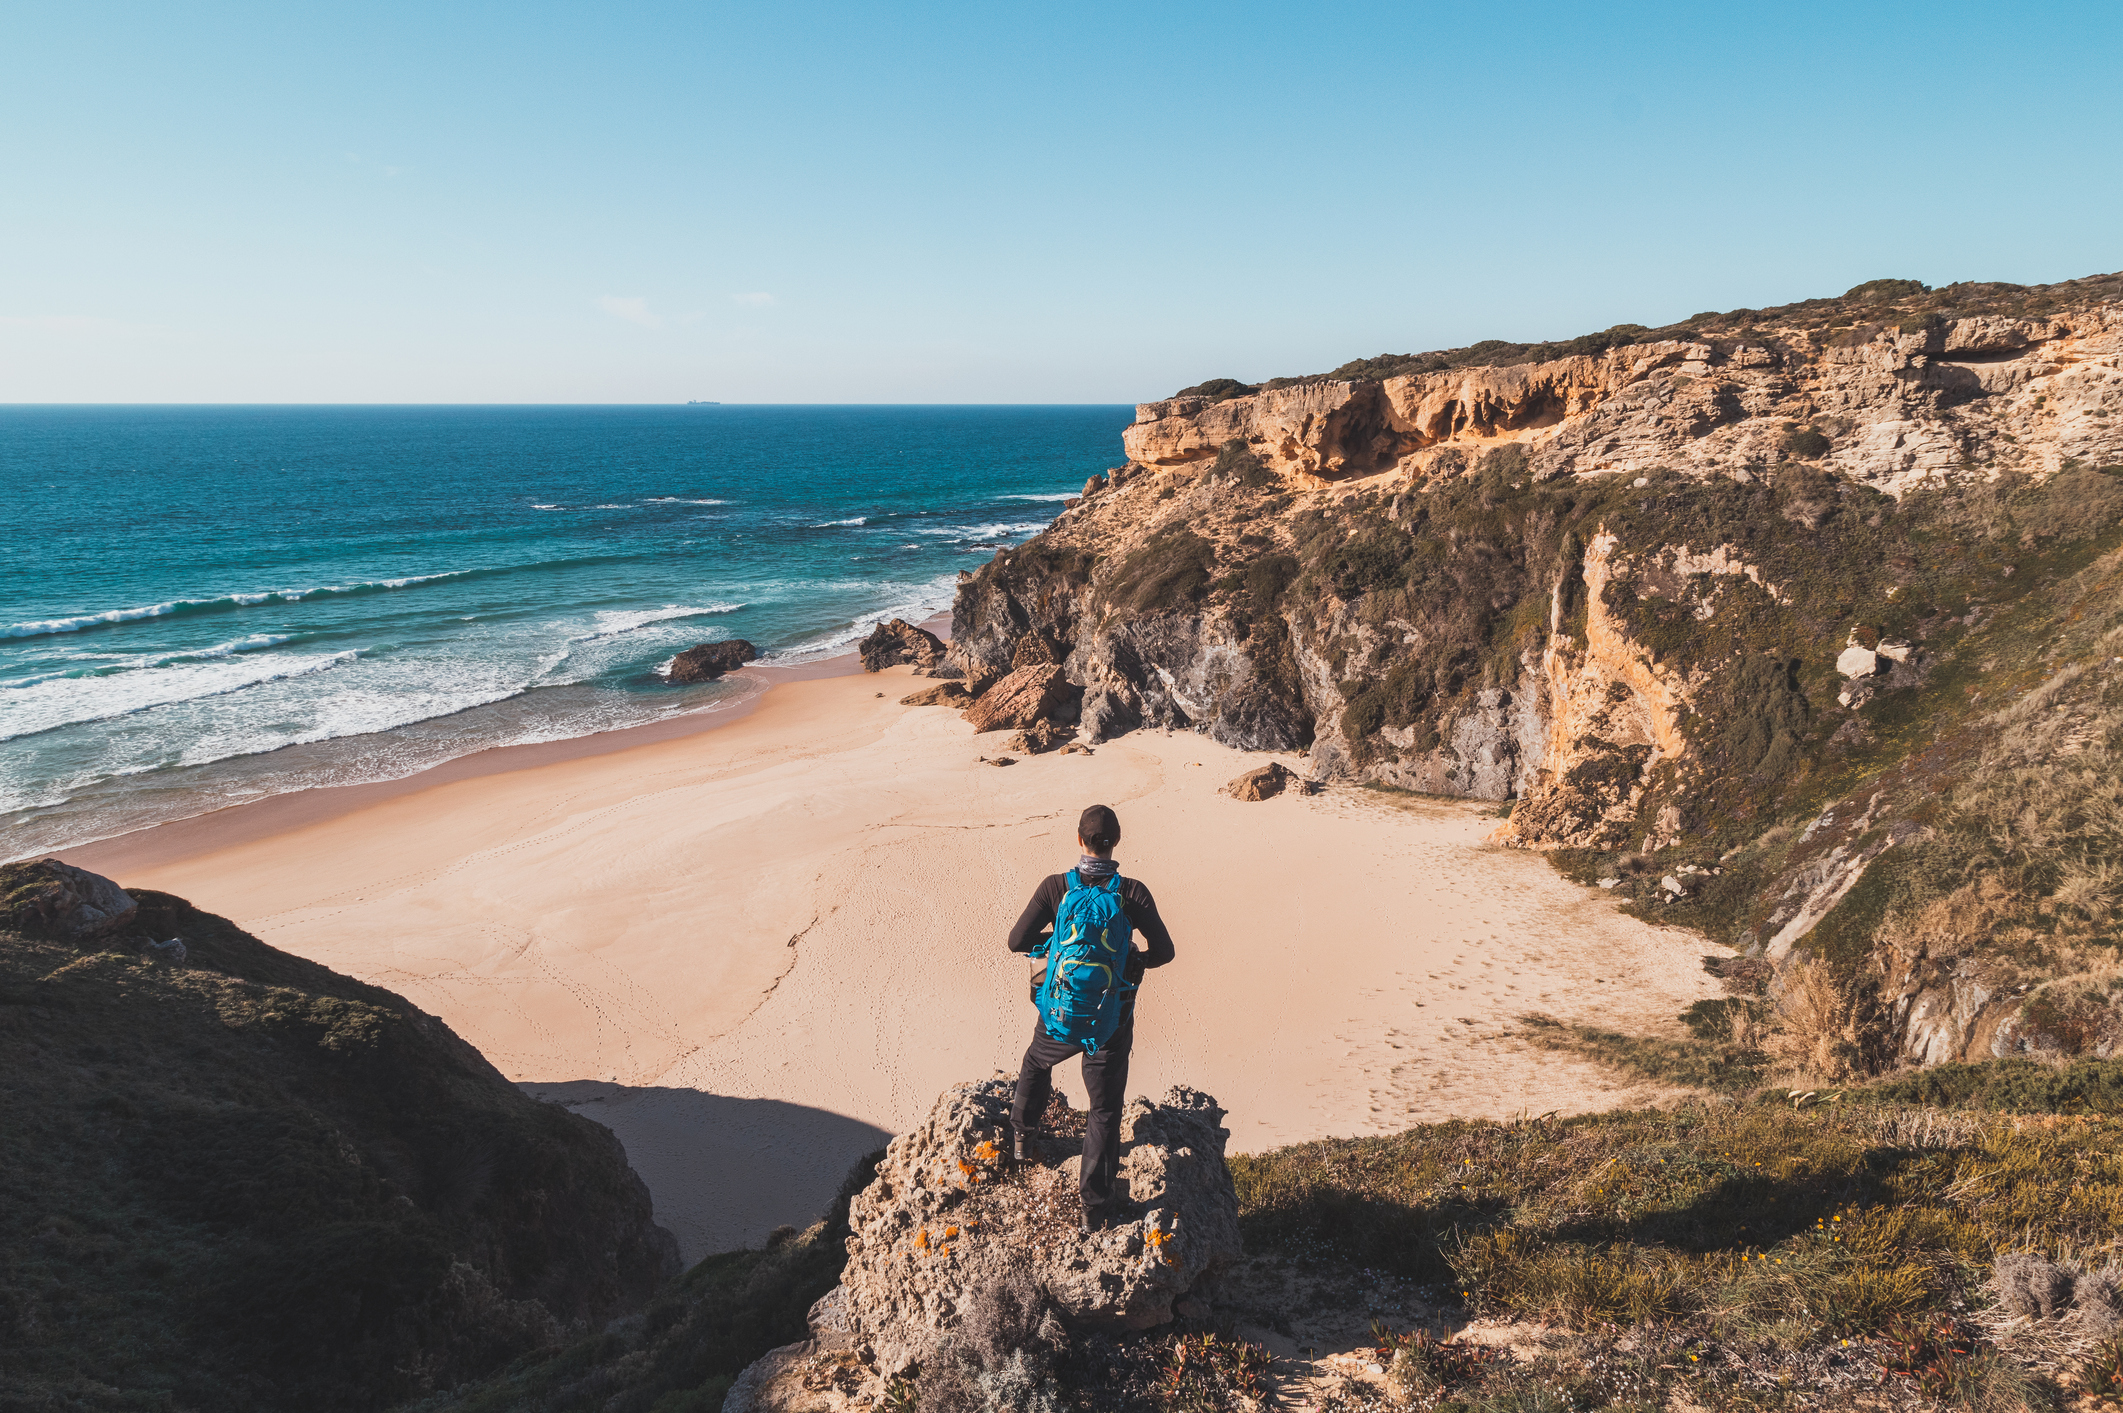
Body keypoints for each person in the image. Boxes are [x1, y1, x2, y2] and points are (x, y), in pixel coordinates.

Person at [1006, 803, 1176, 1231]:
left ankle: (1023, 1138)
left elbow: (1016, 942)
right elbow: (1166, 952)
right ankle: (1093, 1210)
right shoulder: (1132, 892)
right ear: (1115, 842)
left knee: (1035, 1062)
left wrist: (1059, 940)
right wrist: (1133, 959)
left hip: (1060, 1011)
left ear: (1078, 839)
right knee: (1103, 1110)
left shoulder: (1055, 887)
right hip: (1111, 1018)